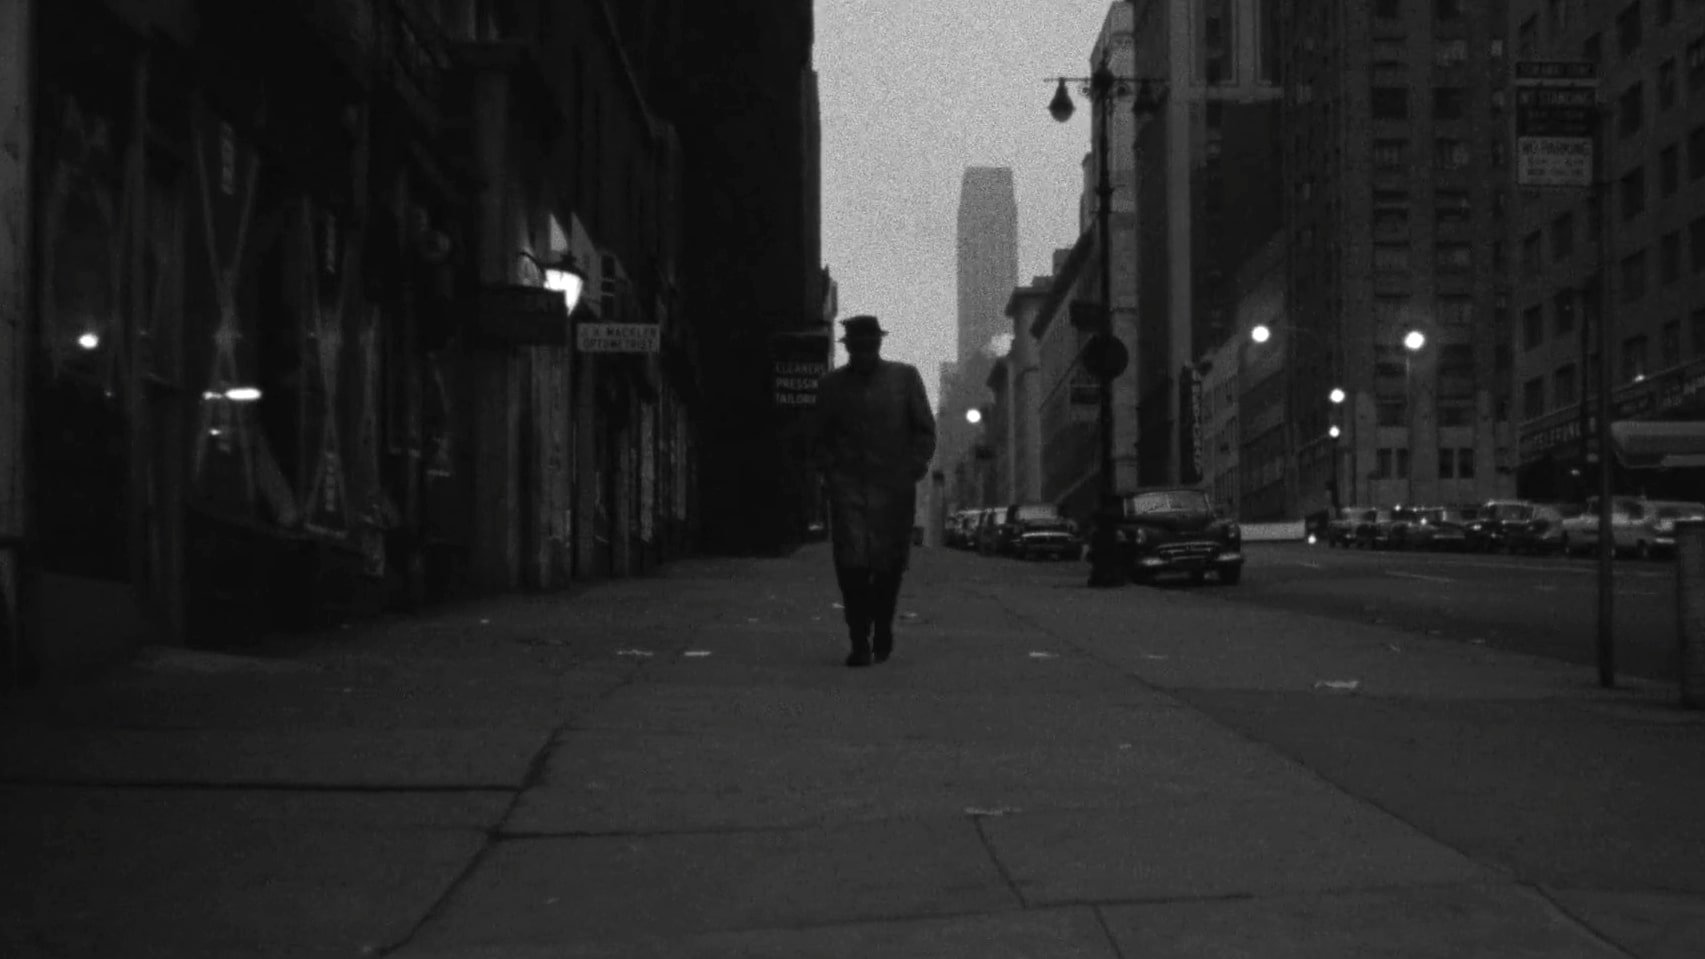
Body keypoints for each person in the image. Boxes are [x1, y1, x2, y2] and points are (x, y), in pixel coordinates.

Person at [813, 315, 937, 667]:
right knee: (851, 567)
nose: (864, 352)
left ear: (879, 345)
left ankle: (882, 628)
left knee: (888, 567)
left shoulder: (904, 379)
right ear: (849, 348)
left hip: (893, 490)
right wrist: (831, 472)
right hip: (849, 489)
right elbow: (818, 436)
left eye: (870, 345)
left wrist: (913, 466)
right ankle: (858, 640)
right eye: (858, 347)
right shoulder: (831, 386)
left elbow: (924, 430)